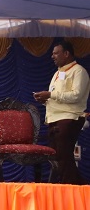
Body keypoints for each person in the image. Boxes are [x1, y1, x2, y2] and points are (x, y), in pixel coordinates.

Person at [33, 40, 90, 185]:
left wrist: (51, 95)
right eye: (52, 54)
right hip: (54, 119)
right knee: (57, 158)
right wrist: (45, 100)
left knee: (64, 157)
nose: (52, 56)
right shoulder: (58, 73)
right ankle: (73, 187)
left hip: (69, 118)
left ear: (66, 54)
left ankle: (73, 187)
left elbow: (76, 95)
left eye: (56, 53)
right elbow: (56, 95)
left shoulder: (78, 71)